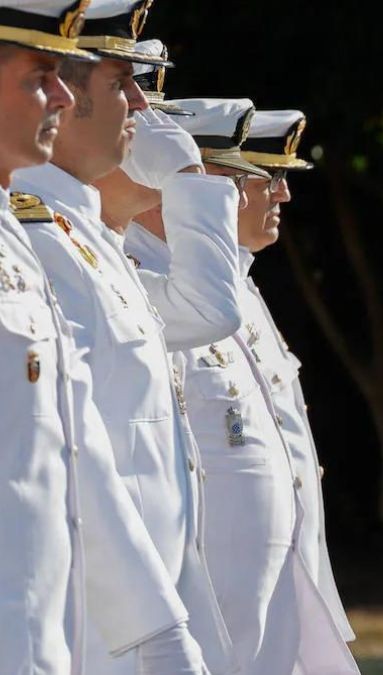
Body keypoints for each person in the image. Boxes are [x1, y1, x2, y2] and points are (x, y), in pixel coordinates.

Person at [11, 1, 244, 672]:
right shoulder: (40, 237)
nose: (142, 107)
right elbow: (78, 450)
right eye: (121, 84)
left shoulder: (83, 236)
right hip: (94, 623)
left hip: (136, 606)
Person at [125, 98, 359, 674]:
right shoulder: (149, 285)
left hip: (268, 593)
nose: (280, 193)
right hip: (206, 598)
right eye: (258, 176)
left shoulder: (241, 288)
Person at [235, 107, 358, 651]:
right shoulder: (168, 290)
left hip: (282, 587)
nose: (283, 195)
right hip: (229, 596)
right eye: (269, 177)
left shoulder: (240, 285)